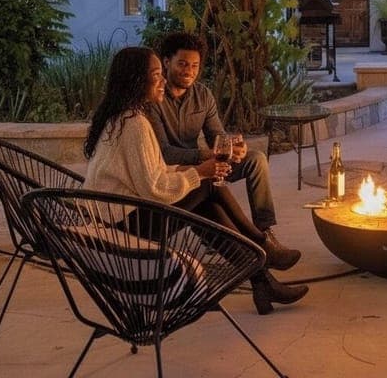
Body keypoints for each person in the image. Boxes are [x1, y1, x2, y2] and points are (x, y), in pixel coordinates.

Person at [83, 46, 308, 315]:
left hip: (122, 213)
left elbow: (152, 173)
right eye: (157, 75)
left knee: (209, 209)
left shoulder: (123, 116)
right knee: (208, 185)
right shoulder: (134, 123)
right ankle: (261, 248)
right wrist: (200, 172)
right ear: (137, 80)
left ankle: (261, 279)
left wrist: (198, 169)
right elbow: (154, 189)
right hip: (123, 224)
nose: (163, 80)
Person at [145, 32, 285, 245]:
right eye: (182, 64)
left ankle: (264, 231)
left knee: (256, 160)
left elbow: (216, 136)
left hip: (204, 160)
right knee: (211, 178)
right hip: (175, 169)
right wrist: (208, 155)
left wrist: (233, 147)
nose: (189, 71)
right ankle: (222, 235)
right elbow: (164, 153)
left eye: (194, 66)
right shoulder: (155, 99)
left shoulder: (203, 95)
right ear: (166, 62)